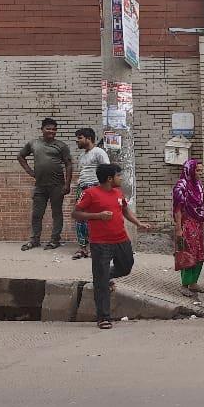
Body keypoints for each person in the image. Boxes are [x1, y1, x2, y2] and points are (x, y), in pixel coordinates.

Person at [71, 164, 151, 330]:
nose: (120, 178)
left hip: (121, 240)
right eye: (118, 175)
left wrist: (138, 223)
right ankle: (103, 317)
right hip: (100, 243)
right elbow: (76, 214)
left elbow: (125, 211)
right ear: (109, 179)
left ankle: (104, 277)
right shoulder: (90, 193)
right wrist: (98, 216)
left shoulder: (118, 193)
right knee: (101, 282)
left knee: (126, 267)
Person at [17, 117, 73, 251]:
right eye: (48, 128)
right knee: (37, 214)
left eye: (54, 129)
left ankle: (55, 240)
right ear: (42, 129)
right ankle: (35, 240)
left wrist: (67, 184)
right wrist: (30, 171)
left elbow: (69, 164)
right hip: (40, 186)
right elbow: (20, 156)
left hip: (57, 185)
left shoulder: (61, 146)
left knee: (57, 213)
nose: (51, 131)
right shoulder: (33, 144)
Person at [172, 158, 204, 298]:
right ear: (190, 170)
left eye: (201, 170)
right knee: (188, 254)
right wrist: (178, 228)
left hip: (198, 224)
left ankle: (194, 282)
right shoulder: (181, 187)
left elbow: (198, 204)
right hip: (186, 224)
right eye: (198, 170)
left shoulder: (198, 185)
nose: (200, 173)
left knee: (199, 253)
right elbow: (178, 209)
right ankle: (184, 284)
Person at [71, 128, 110, 260]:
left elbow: (107, 170)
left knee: (95, 219)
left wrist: (103, 190)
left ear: (88, 138)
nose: (77, 140)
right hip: (82, 189)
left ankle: (97, 249)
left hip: (95, 188)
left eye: (80, 138)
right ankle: (83, 248)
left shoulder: (99, 152)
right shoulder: (82, 155)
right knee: (80, 219)